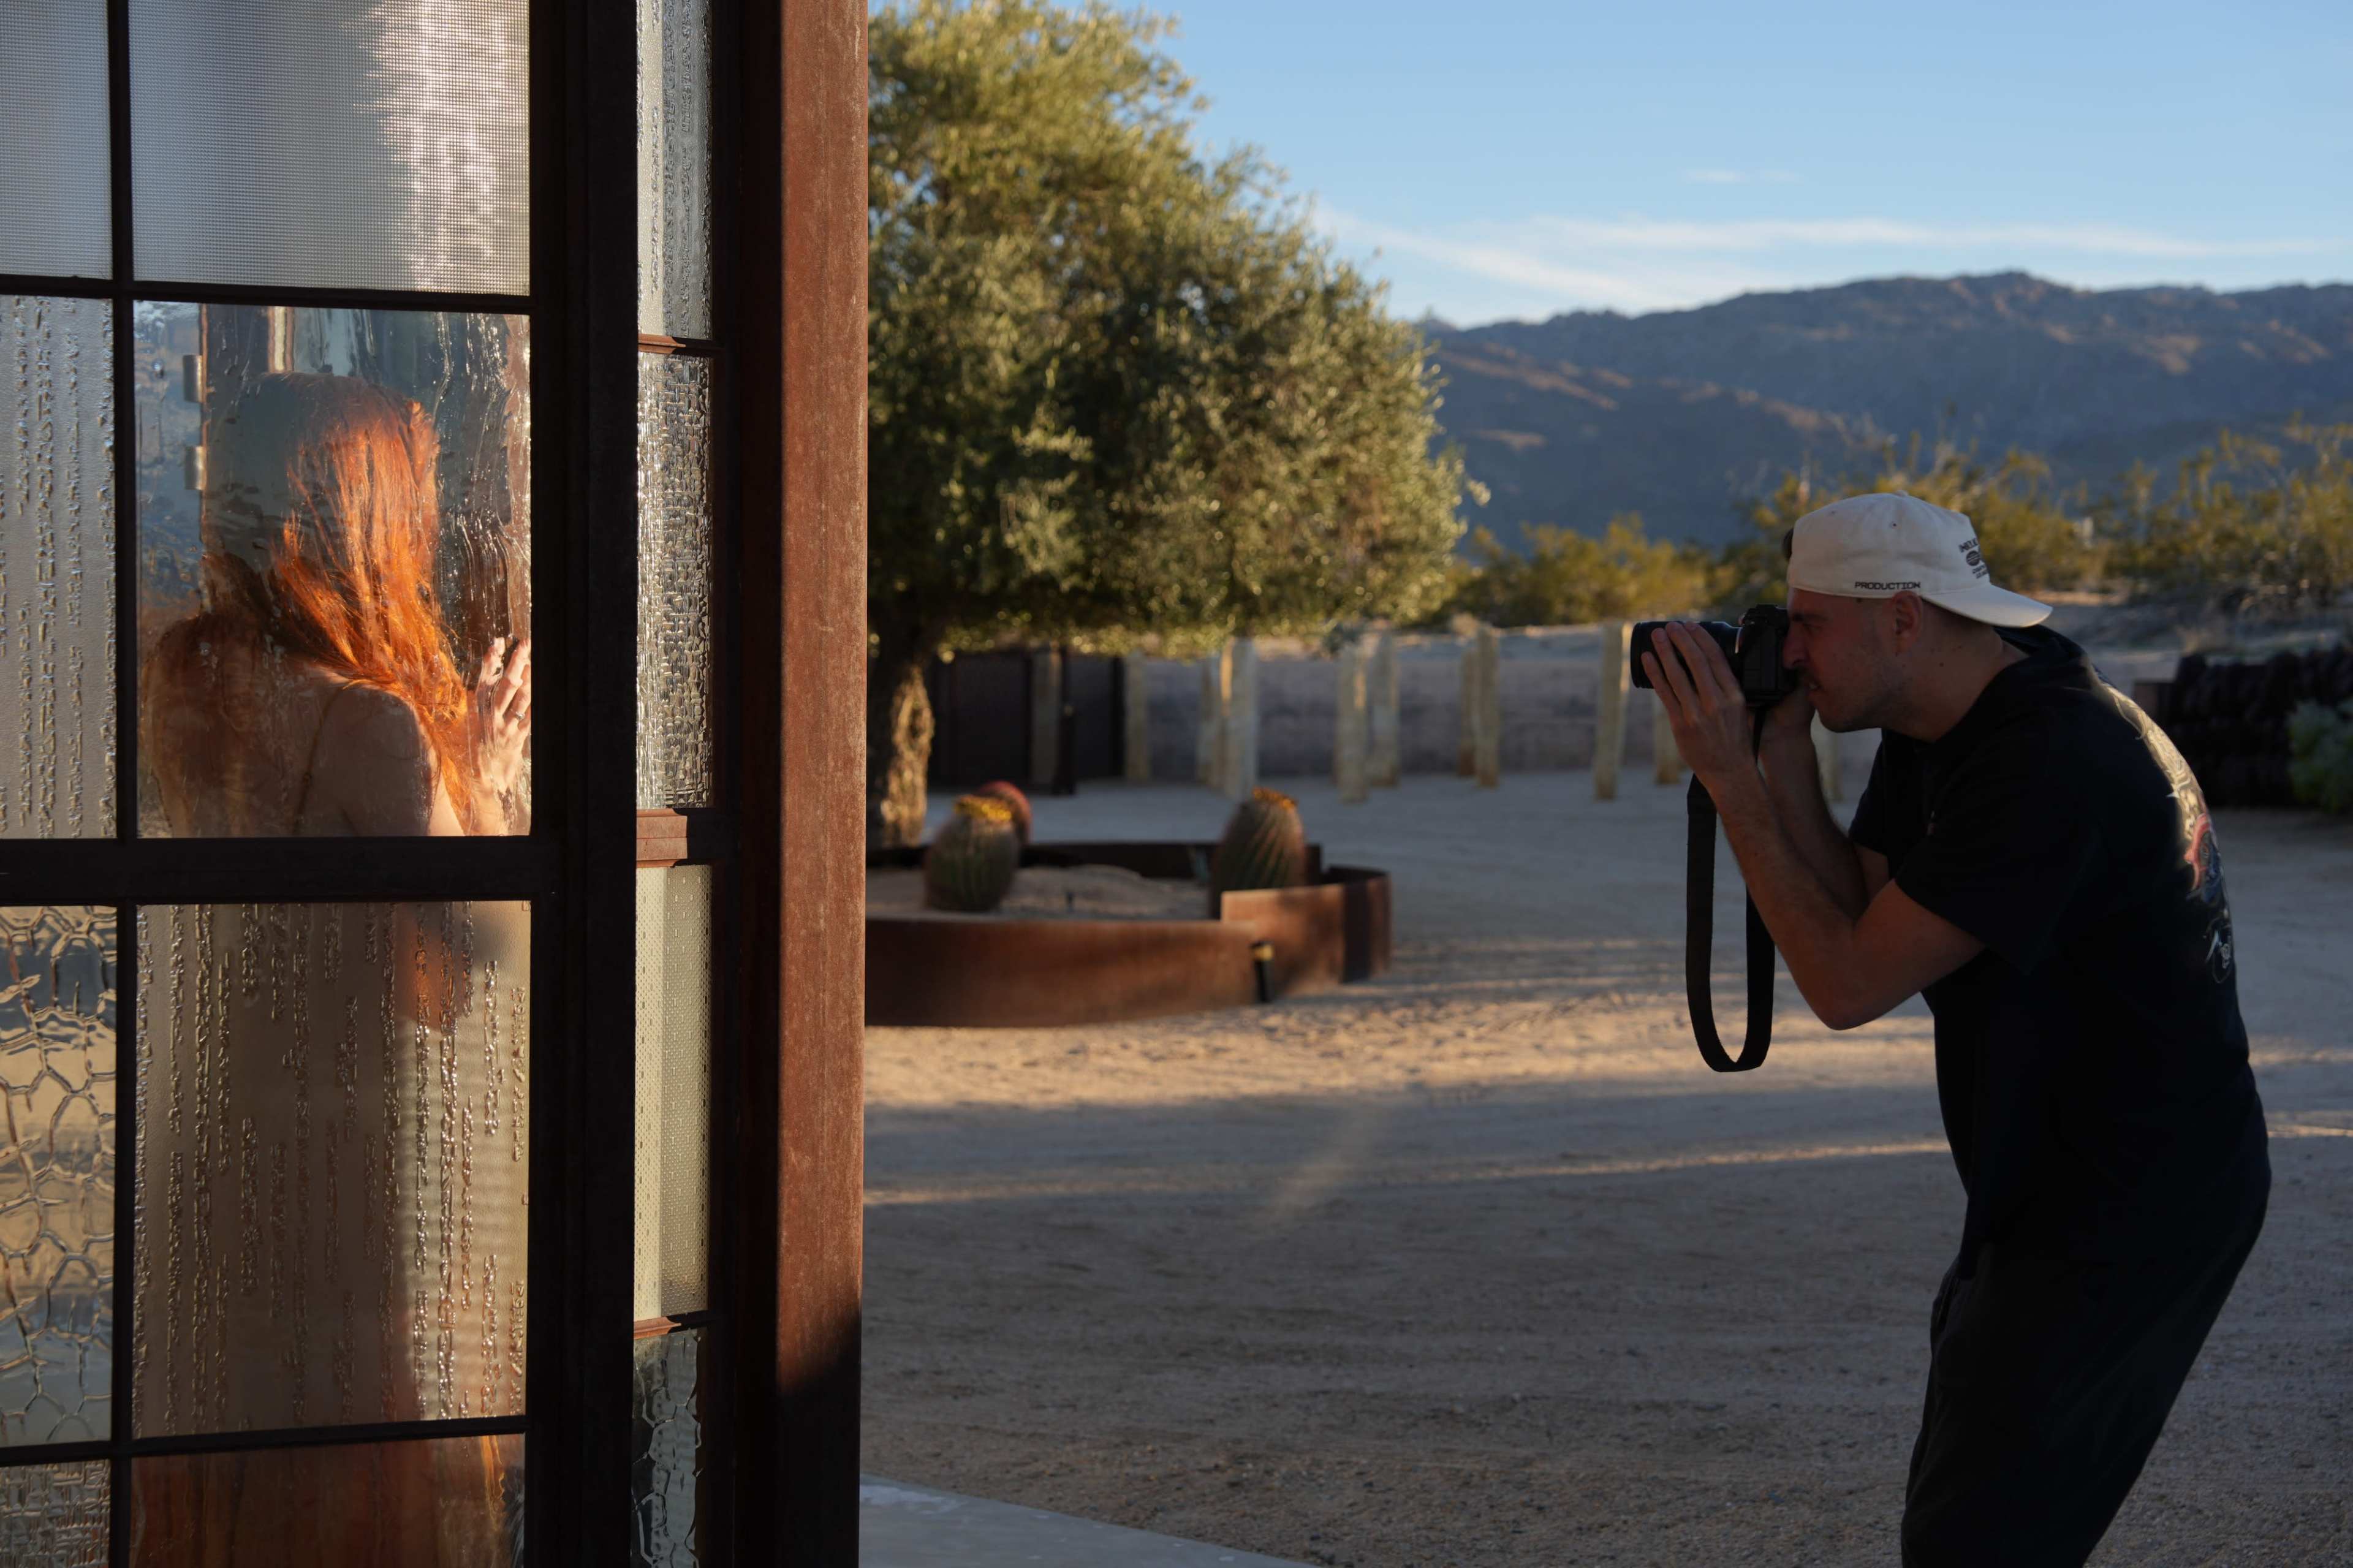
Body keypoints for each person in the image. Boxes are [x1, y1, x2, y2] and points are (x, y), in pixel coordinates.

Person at [1643, 491, 2268, 1567]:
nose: (1787, 651)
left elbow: (1844, 981)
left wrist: (1728, 781)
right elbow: (1856, 902)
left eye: (1810, 626)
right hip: (2047, 1174)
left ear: (1905, 618)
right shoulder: (1946, 716)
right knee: (1969, 1506)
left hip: (2137, 1198)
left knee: (1978, 1539)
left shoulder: (2051, 759)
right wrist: (1783, 750)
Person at [144, 370, 530, 838]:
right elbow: (495, 911)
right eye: (418, 502)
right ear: (369, 526)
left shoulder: (186, 667)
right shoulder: (372, 725)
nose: (430, 527)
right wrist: (486, 783)